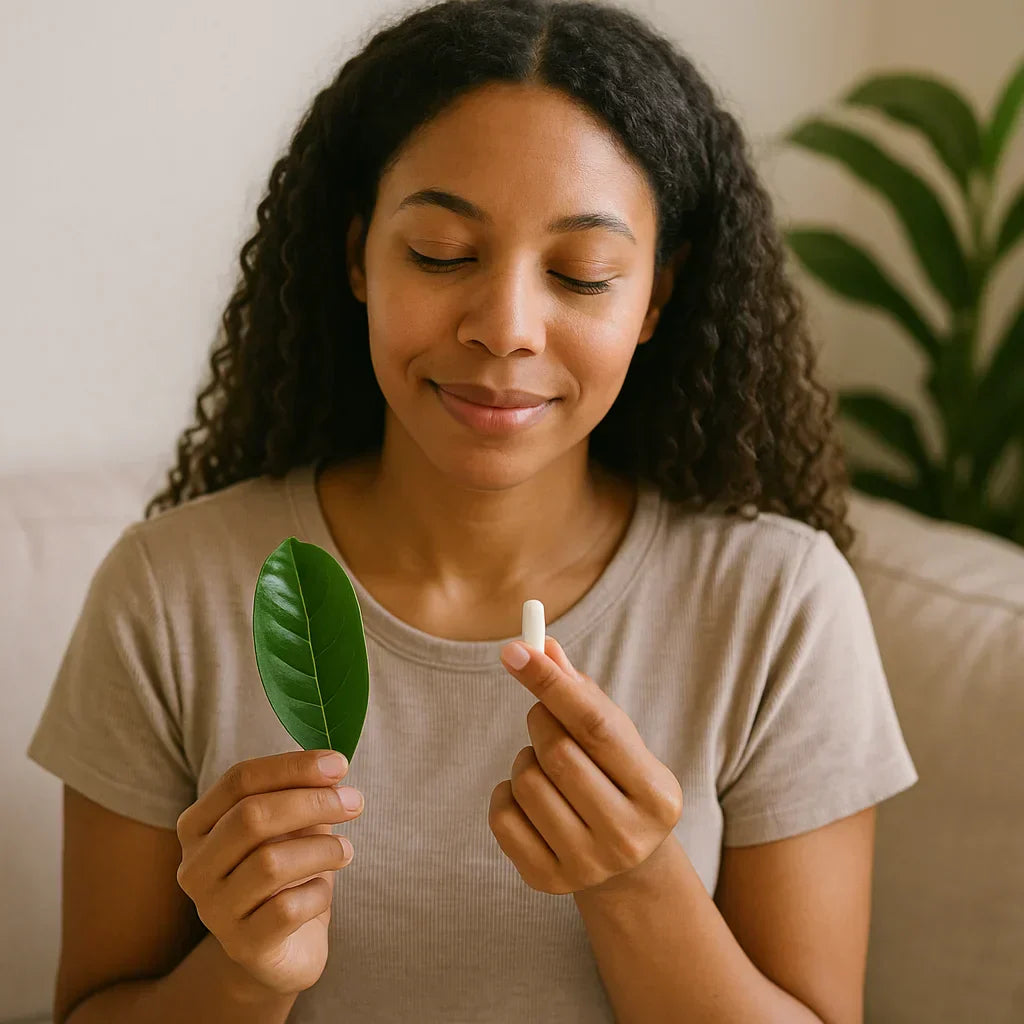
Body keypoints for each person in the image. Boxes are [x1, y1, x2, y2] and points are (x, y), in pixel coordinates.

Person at [27, 0, 919, 1021]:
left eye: (581, 274)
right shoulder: (171, 590)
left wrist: (636, 884)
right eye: (443, 253)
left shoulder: (776, 604)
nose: (504, 328)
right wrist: (240, 973)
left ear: (656, 301)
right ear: (358, 257)